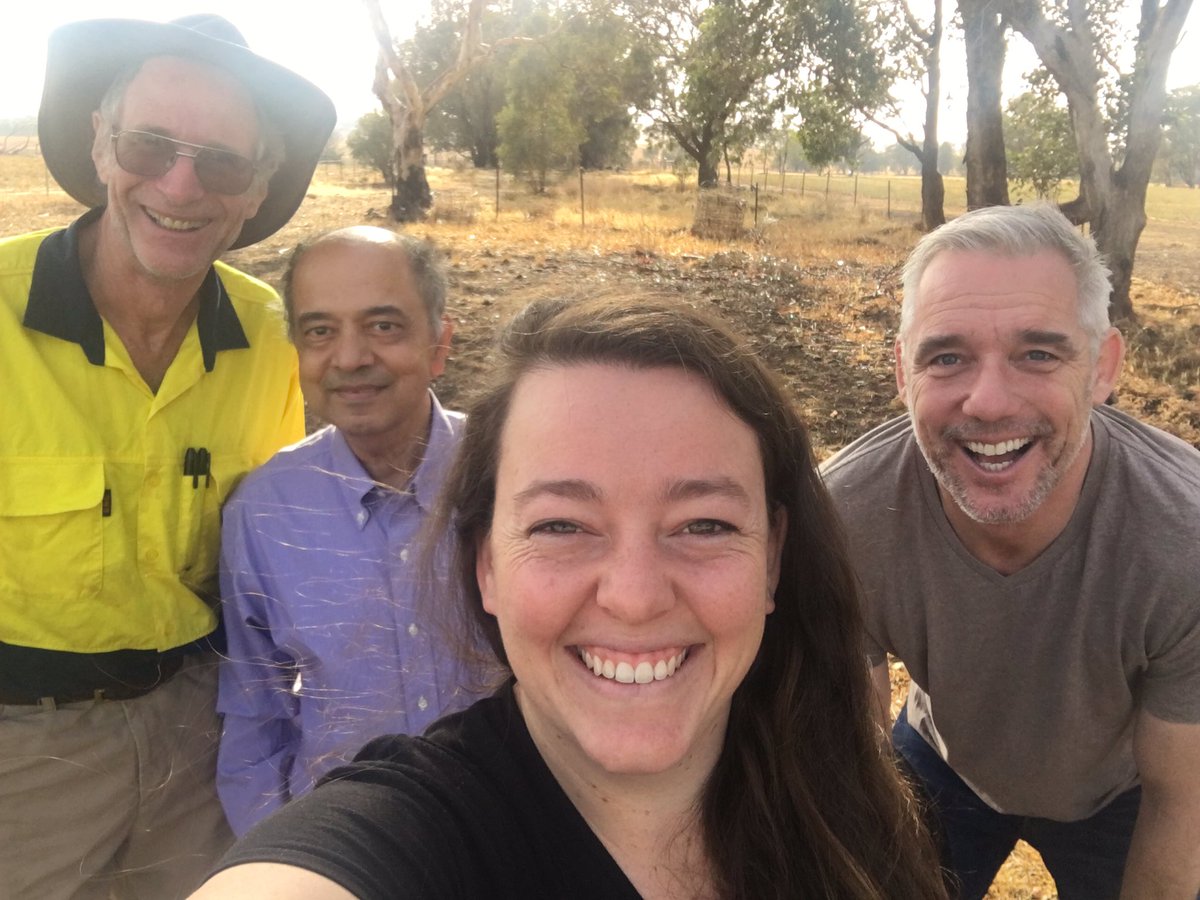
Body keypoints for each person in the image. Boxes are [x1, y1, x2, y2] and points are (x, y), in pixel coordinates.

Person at [191, 296, 947, 899]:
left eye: (703, 524)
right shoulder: (410, 834)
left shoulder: (846, 812)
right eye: (561, 525)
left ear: (774, 557)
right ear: (485, 562)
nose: (635, 596)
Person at [0, 14, 334, 899]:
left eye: (222, 161)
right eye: (150, 146)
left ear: (256, 189)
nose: (181, 186)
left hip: (205, 736)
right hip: (20, 753)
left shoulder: (274, 338)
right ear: (100, 145)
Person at [821, 204, 1200, 899]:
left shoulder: (1185, 543)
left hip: (1124, 789)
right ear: (903, 373)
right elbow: (841, 757)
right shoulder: (843, 520)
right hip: (940, 764)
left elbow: (1185, 802)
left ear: (1102, 367)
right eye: (947, 356)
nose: (989, 401)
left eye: (1038, 353)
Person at [216, 227, 483, 835]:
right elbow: (256, 712)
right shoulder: (264, 512)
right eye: (319, 332)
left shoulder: (508, 476)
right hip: (347, 845)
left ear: (439, 343)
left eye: (384, 326)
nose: (350, 357)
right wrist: (277, 856)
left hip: (510, 833)